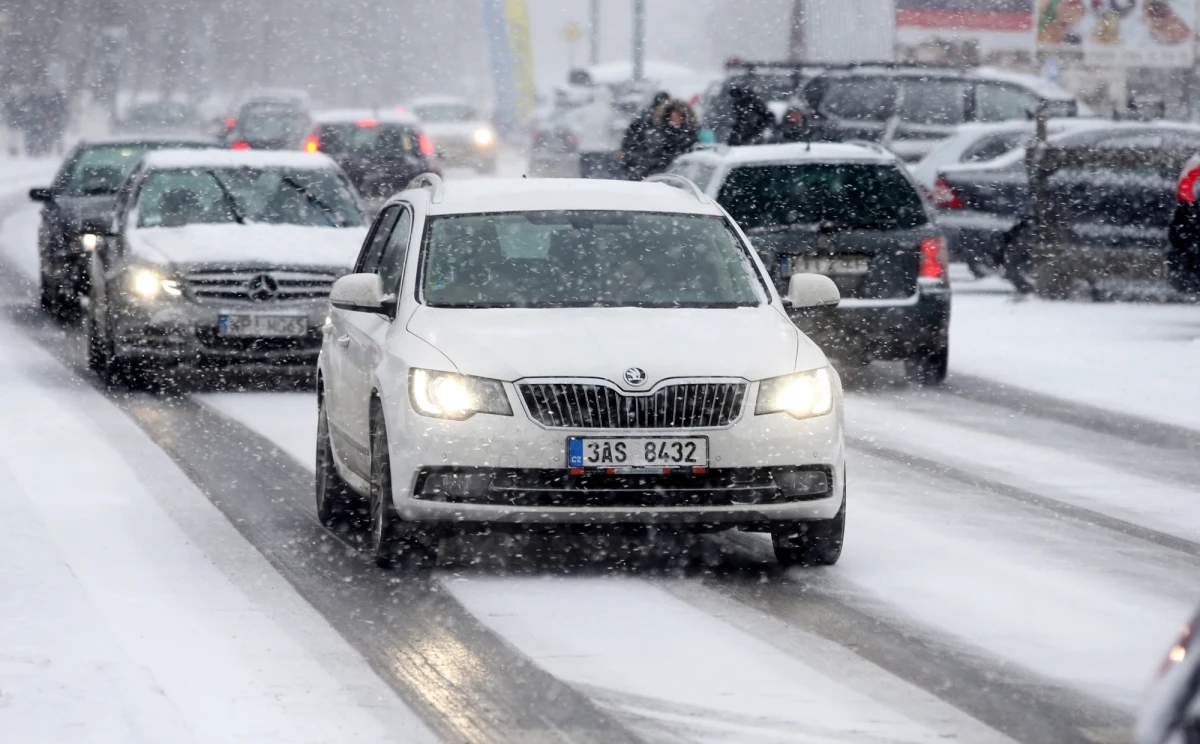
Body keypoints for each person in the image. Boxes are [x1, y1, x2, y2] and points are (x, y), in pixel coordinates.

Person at [626, 99, 699, 180]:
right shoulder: (660, 133)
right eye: (673, 115)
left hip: (678, 175)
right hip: (655, 173)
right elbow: (651, 153)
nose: (675, 118)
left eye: (679, 115)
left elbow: (687, 155)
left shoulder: (689, 135)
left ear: (684, 117)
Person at [620, 90, 670, 179]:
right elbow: (628, 145)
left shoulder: (668, 126)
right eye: (661, 108)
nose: (663, 112)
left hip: (657, 172)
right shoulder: (640, 124)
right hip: (638, 170)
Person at [725, 82, 772, 147]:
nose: (734, 98)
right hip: (752, 128)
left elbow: (766, 115)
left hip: (754, 128)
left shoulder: (750, 101)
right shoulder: (740, 103)